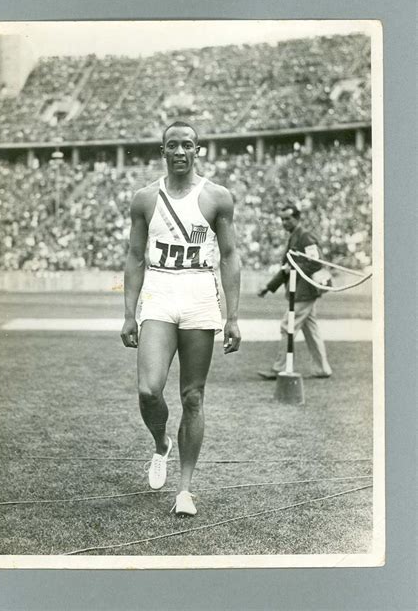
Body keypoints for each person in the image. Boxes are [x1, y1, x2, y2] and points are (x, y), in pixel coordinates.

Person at [120, 121, 241, 516]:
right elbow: (136, 257)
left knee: (193, 395)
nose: (180, 152)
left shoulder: (216, 197)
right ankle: (161, 444)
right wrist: (128, 314)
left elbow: (229, 256)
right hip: (159, 290)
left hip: (200, 293)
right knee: (148, 390)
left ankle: (185, 489)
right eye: (172, 145)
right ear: (162, 151)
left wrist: (233, 316)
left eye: (187, 145)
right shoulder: (144, 198)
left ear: (197, 150)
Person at [257, 203, 332, 379]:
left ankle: (279, 369)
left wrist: (294, 268)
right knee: (311, 330)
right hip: (299, 290)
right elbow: (287, 268)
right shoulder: (294, 237)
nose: (284, 223)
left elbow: (316, 262)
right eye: (282, 219)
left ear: (297, 218)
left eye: (288, 219)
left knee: (287, 325)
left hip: (305, 292)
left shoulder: (305, 237)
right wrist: (269, 287)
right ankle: (322, 369)